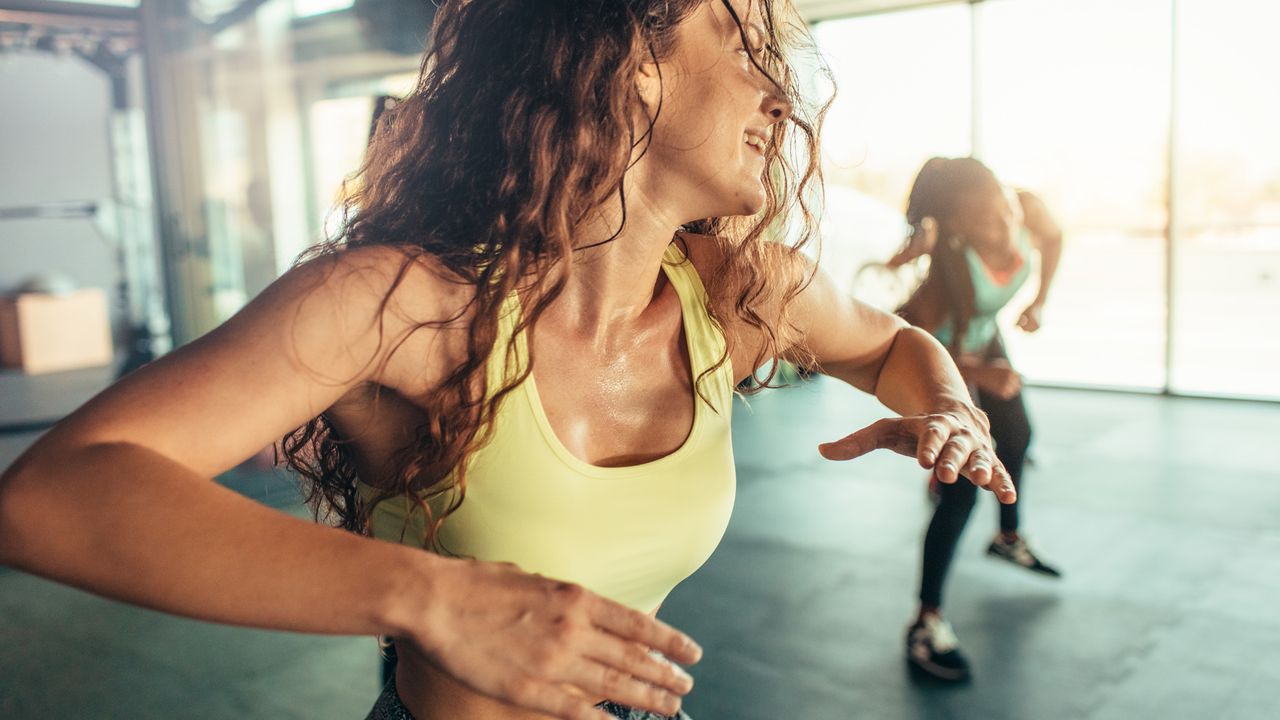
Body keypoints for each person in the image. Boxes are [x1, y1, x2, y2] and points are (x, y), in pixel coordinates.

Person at [0, 4, 1016, 719]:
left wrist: (947, 407)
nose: (775, 90)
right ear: (629, 63)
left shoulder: (737, 290)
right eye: (741, 34)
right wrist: (429, 598)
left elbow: (891, 344)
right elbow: (47, 496)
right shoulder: (407, 305)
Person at [888, 156, 1065, 683]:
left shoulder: (1023, 209)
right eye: (990, 221)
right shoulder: (945, 278)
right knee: (962, 488)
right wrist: (979, 376)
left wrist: (1040, 301)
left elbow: (1053, 239)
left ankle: (1007, 539)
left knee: (1019, 435)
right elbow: (909, 342)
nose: (1008, 226)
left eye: (1007, 209)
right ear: (961, 227)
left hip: (985, 340)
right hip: (947, 361)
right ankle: (926, 621)